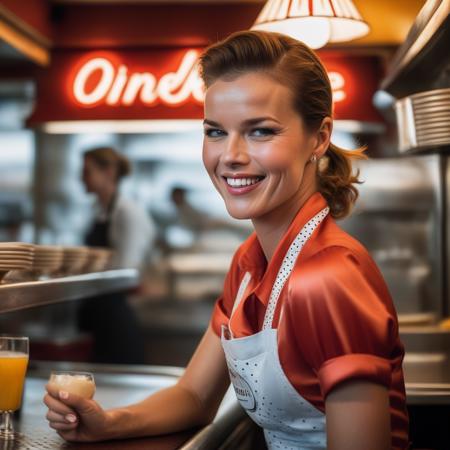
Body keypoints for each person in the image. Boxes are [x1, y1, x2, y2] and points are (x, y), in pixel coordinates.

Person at [44, 31, 409, 449]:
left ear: (319, 137)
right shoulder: (250, 262)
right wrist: (108, 423)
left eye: (260, 132)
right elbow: (195, 396)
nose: (230, 155)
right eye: (216, 132)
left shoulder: (329, 277)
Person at [78, 147, 155, 364]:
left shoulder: (127, 212)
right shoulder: (98, 209)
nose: (81, 178)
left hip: (117, 311)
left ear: (109, 172)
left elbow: (128, 270)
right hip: (99, 309)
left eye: (86, 171)